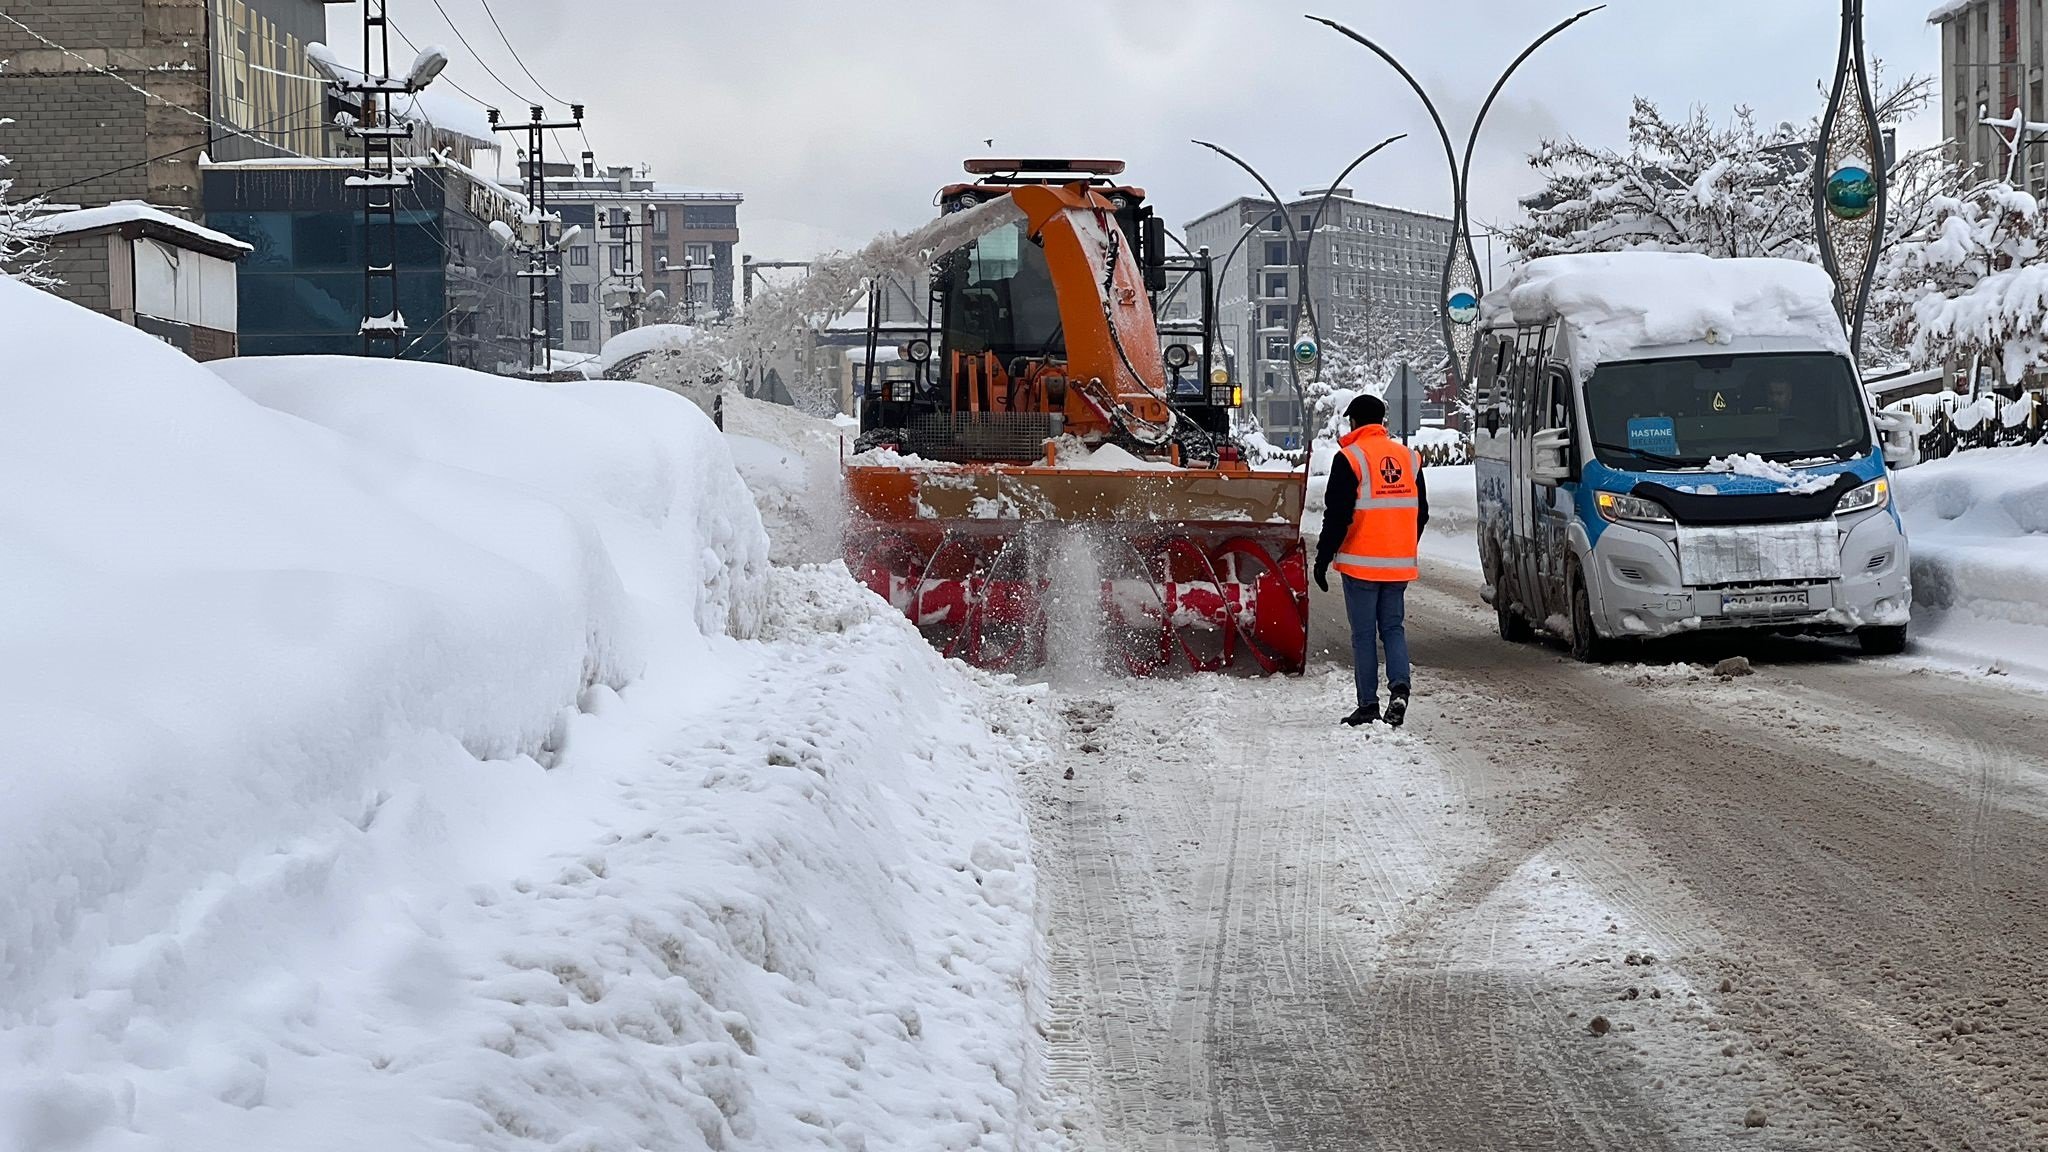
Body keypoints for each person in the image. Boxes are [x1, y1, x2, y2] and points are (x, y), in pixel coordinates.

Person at [1314, 394, 1429, 729]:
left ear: (1354, 422)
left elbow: (1337, 516)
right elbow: (1421, 513)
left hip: (1360, 564)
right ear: (1381, 422)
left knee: (1364, 634)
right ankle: (1400, 687)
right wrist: (1403, 544)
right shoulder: (1408, 458)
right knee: (1393, 627)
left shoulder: (1350, 458)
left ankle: (1368, 705)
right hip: (1397, 564)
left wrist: (1322, 558)